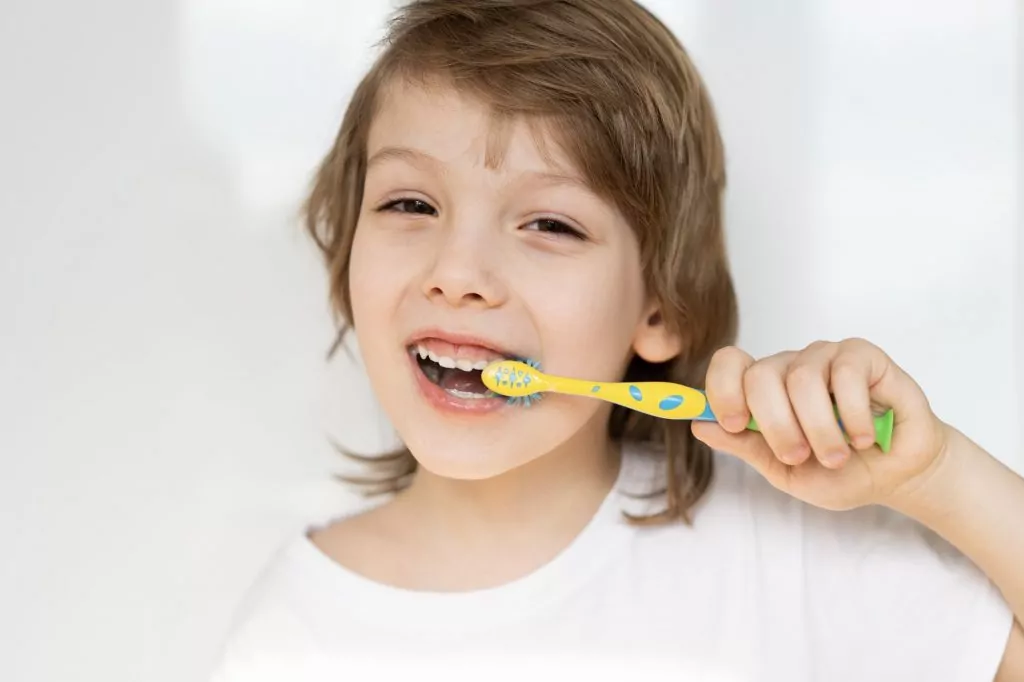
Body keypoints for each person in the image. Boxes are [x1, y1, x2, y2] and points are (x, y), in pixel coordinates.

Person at [209, 1, 1023, 680]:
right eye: (410, 205)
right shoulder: (292, 640)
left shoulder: (787, 554)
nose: (456, 272)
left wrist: (936, 474)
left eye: (551, 223)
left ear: (660, 308)